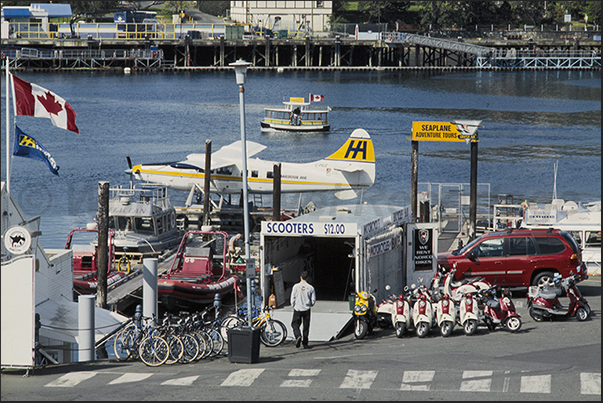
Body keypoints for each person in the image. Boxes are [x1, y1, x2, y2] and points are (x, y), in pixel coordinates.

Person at [290, 270, 316, 349]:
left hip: (298, 308)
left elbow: (292, 298)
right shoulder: (311, 287)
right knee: (306, 326)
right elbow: (313, 299)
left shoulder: (296, 286)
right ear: (307, 278)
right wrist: (310, 304)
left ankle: (298, 335)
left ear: (300, 277)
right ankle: (305, 343)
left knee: (295, 324)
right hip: (306, 309)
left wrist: (293, 304)